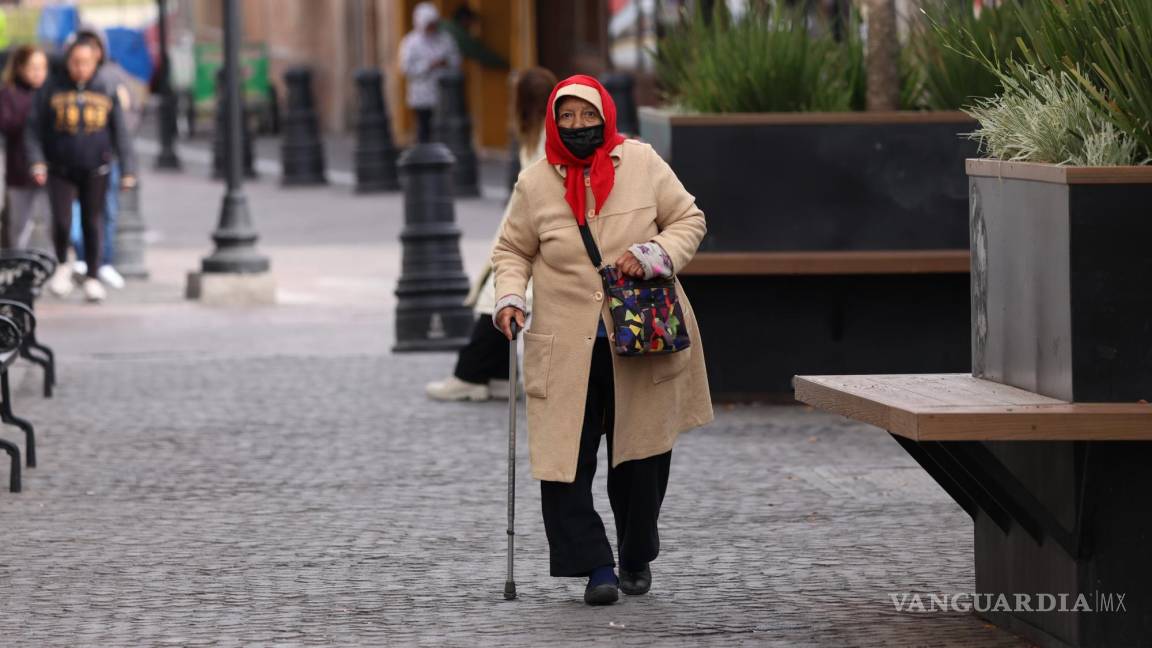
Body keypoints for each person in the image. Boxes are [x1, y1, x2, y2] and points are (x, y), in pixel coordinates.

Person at [491, 75, 714, 606]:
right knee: (563, 461)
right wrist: (509, 298)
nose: (577, 127)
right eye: (566, 117)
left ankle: (636, 553)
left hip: (641, 334)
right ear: (552, 122)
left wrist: (654, 253)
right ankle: (596, 566)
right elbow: (511, 252)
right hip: (564, 343)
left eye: (587, 116)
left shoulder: (641, 162)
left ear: (605, 116)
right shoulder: (535, 183)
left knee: (641, 458)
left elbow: (688, 219)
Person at [426, 67, 556, 402]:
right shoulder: (540, 132)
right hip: (523, 225)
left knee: (498, 297)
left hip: (530, 229)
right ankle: (498, 372)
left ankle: (469, 374)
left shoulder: (544, 136)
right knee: (499, 294)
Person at [25, 37, 137, 303]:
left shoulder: (106, 86)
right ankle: (63, 265)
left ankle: (93, 276)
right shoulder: (52, 87)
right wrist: (37, 160)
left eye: (86, 62)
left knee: (92, 222)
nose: (80, 68)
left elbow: (120, 131)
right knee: (62, 221)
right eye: (75, 62)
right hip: (60, 167)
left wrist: (129, 169)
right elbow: (33, 129)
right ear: (67, 61)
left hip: (96, 167)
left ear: (96, 60)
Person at [65, 26, 145, 289]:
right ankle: (82, 258)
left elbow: (127, 117)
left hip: (103, 160)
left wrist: (126, 165)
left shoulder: (111, 79)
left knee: (105, 211)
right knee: (76, 212)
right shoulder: (64, 83)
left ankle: (102, 262)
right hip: (70, 162)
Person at [0, 45, 50, 250]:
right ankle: (16, 269)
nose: (39, 73)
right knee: (19, 226)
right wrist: (31, 119)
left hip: (51, 170)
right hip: (19, 169)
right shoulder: (9, 94)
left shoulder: (52, 92)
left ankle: (50, 268)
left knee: (53, 224)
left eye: (42, 67)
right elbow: (6, 124)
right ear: (20, 68)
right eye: (33, 68)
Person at [398, 2, 460, 143]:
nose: (432, 28)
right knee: (424, 129)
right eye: (428, 24)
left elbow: (455, 59)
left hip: (444, 95)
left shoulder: (445, 39)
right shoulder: (410, 43)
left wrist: (446, 63)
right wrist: (428, 65)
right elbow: (405, 68)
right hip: (421, 96)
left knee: (445, 129)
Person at [441, 5, 509, 71]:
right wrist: (507, 65)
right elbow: (480, 53)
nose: (470, 27)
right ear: (465, 19)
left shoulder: (444, 23)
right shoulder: (458, 34)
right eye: (471, 23)